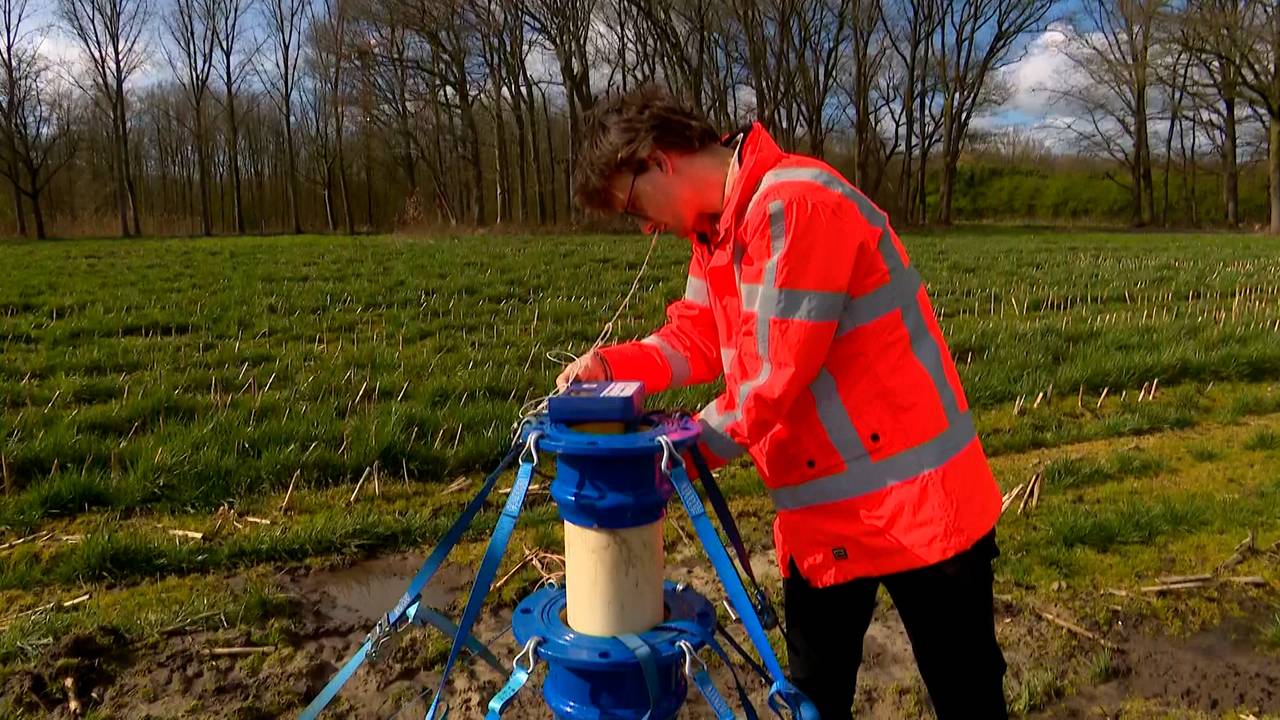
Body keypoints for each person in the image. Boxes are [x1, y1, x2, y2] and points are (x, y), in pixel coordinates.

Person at [557, 85, 1008, 720]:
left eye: (633, 208)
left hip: (921, 512)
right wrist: (611, 366)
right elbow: (699, 337)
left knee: (967, 699)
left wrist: (657, 459)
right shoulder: (716, 234)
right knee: (815, 704)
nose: (647, 228)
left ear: (657, 159)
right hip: (825, 524)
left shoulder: (793, 205)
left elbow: (767, 383)